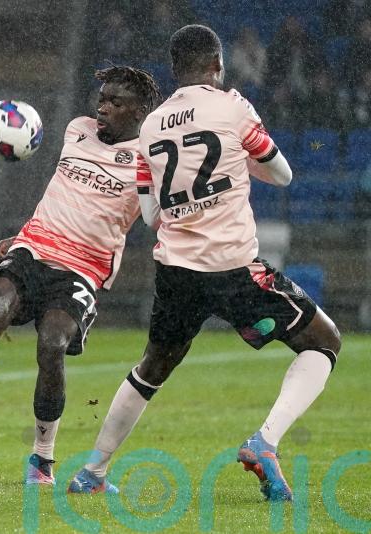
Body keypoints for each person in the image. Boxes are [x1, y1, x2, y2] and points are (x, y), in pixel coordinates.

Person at [69, 25, 341, 502]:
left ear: (175, 69)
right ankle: (264, 442)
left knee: (152, 368)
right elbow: (283, 174)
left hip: (176, 271)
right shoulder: (232, 107)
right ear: (218, 64)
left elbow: (150, 215)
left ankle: (92, 472)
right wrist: (241, 164)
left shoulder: (152, 125)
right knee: (324, 341)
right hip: (233, 268)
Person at [0, 66, 162, 488]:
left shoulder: (150, 158)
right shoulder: (77, 130)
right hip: (33, 249)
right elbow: (65, 193)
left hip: (83, 269)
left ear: (139, 111)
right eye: (101, 99)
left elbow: (152, 215)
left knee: (52, 344)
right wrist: (21, 235)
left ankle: (42, 459)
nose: (102, 108)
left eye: (115, 102)